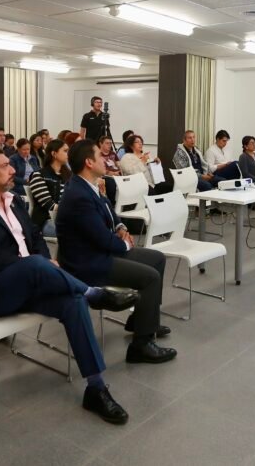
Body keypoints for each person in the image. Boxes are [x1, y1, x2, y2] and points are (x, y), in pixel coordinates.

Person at [0, 147, 137, 424]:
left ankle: (96, 387)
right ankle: (94, 293)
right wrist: (37, 267)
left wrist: (46, 263)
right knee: (35, 264)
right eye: (4, 166)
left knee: (72, 301)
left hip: (27, 284)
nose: (13, 170)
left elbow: (34, 236)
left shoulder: (13, 201)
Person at [57, 140, 177, 364]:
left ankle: (142, 320)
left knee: (157, 259)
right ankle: (141, 346)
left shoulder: (89, 184)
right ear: (89, 162)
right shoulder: (78, 195)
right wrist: (126, 244)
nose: (105, 160)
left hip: (99, 252)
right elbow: (102, 239)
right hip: (87, 263)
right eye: (99, 156)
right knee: (150, 277)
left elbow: (108, 211)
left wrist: (121, 227)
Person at [28, 139, 70, 237]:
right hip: (47, 220)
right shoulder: (39, 175)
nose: (68, 154)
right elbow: (50, 205)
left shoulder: (69, 175)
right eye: (65, 151)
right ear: (54, 154)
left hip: (68, 218)